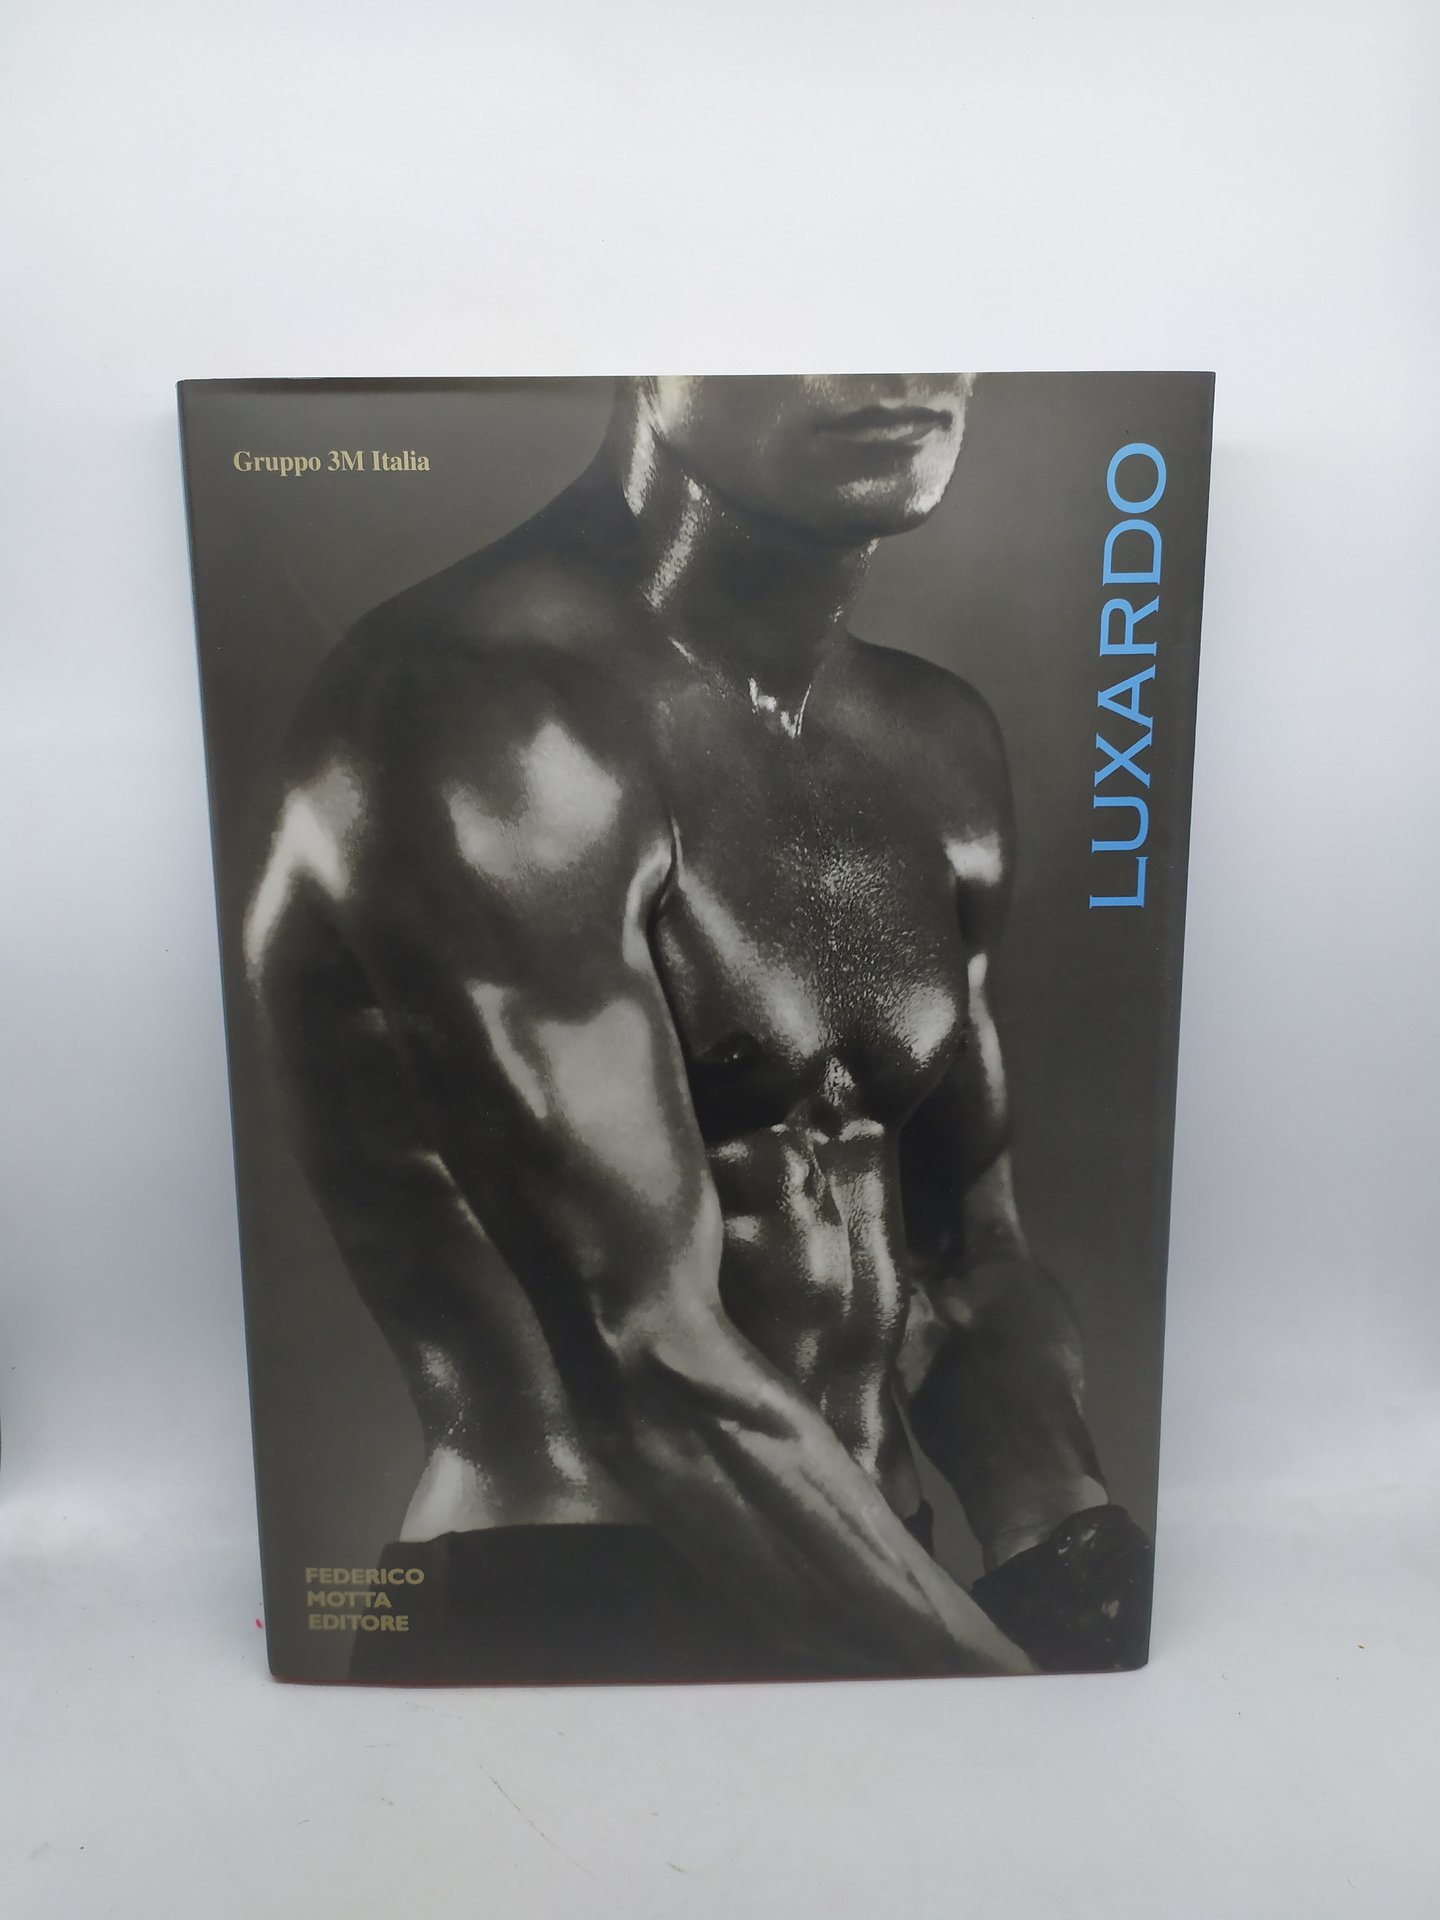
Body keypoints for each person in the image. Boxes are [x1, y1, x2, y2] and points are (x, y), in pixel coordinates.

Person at [244, 375, 1151, 1683]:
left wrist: (1069, 1554)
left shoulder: (931, 740)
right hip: (566, 1612)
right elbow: (648, 1360)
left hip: (888, 1588)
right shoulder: (473, 712)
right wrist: (1025, 1721)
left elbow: (964, 1261)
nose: (898, 362)